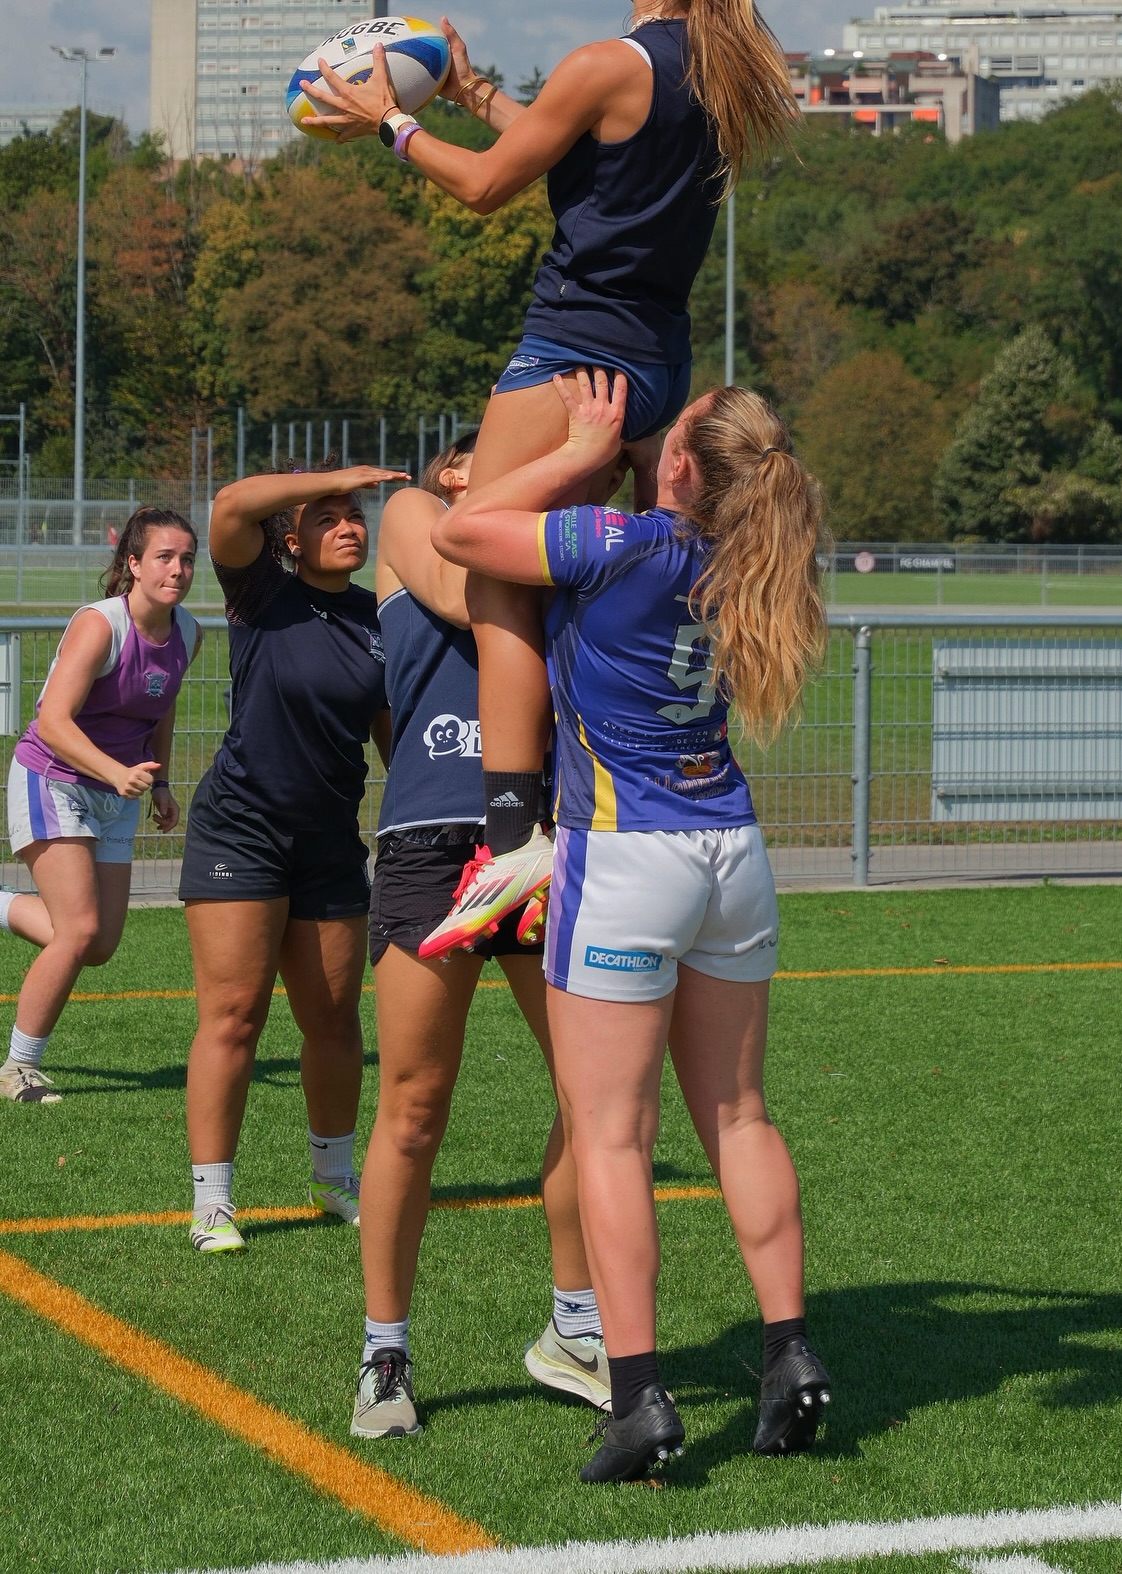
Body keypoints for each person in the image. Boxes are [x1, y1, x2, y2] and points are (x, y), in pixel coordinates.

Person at [300, 0, 798, 941]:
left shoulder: (602, 63)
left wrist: (392, 120)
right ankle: (605, 785)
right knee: (617, 568)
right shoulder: (717, 68)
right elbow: (573, 162)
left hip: (576, 349)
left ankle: (516, 829)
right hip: (659, 359)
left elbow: (487, 189)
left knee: (495, 573)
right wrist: (476, 98)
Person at [425, 371, 833, 1482]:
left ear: (681, 465)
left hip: (626, 851)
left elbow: (461, 529)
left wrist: (575, 447)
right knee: (741, 1115)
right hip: (731, 850)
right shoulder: (744, 554)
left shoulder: (623, 540)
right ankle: (790, 1355)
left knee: (610, 1134)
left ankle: (640, 1397)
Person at [351, 433, 609, 1438]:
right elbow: (471, 594)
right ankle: (386, 1350)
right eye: (482, 452)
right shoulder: (416, 513)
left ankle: (576, 1326)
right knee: (414, 1109)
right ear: (452, 470)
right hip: (433, 841)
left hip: (544, 839)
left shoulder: (559, 537)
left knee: (596, 1098)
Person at [179, 461, 405, 1254]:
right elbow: (232, 503)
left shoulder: (381, 618)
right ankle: (213, 1200)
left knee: (336, 1022)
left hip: (330, 843)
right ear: (292, 538)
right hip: (240, 830)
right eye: (329, 516)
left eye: (356, 515)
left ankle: (333, 1179)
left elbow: (390, 736)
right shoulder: (261, 594)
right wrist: (341, 473)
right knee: (234, 1018)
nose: (351, 525)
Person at [2, 510, 201, 1104]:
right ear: (133, 564)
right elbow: (51, 722)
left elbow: (160, 706)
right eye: (164, 557)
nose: (178, 569)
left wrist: (160, 783)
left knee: (100, 945)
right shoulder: (100, 626)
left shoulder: (189, 631)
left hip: (118, 794)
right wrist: (117, 773)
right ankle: (18, 1067)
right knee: (78, 929)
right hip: (53, 780)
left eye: (188, 558)